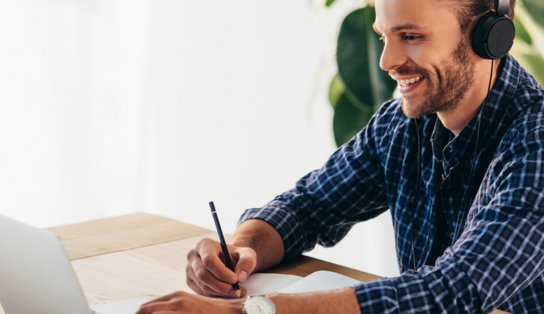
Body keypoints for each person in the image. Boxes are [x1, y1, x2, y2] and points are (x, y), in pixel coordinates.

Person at [136, 0, 544, 312]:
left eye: (412, 37)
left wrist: (248, 311)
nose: (387, 61)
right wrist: (241, 250)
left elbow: (456, 290)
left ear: (489, 37)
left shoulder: (536, 142)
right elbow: (308, 207)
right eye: (385, 36)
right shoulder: (402, 126)